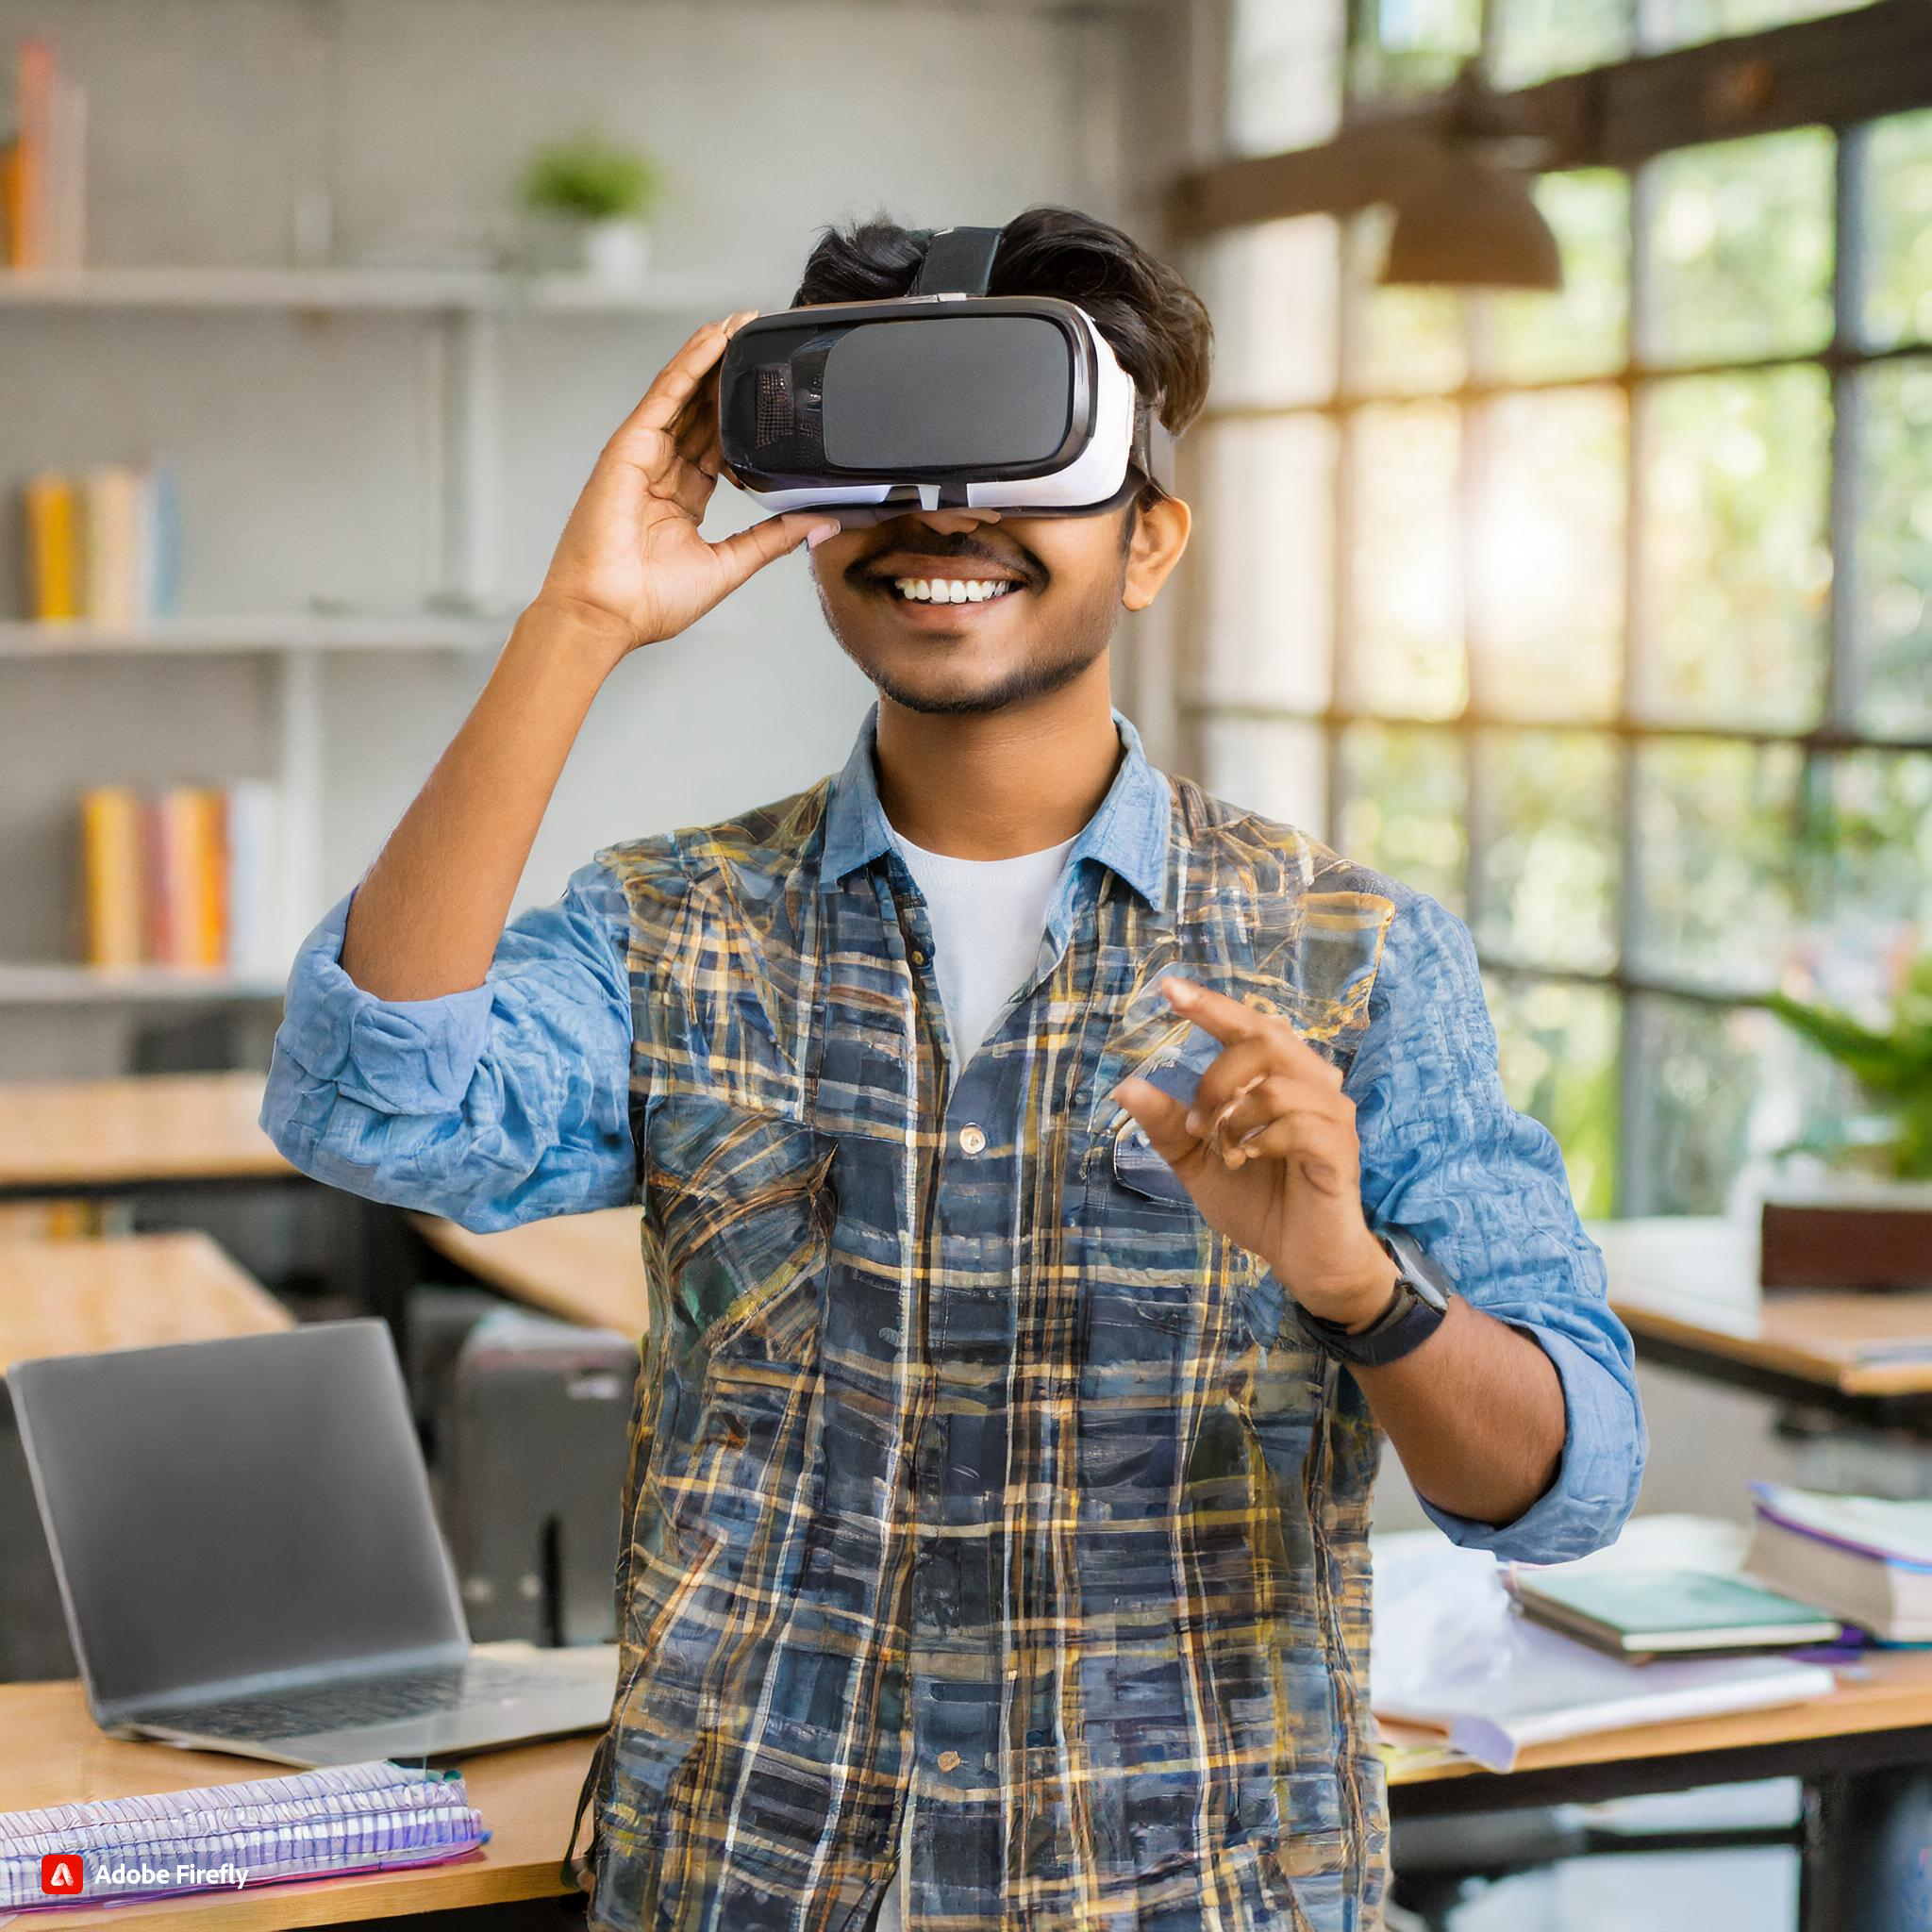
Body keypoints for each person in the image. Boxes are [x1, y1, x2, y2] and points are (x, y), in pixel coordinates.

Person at [260, 205, 1645, 1932]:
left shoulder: (1350, 955)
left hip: (1202, 1897)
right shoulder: (673, 927)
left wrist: (1358, 1288)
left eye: (1020, 446)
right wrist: (581, 620)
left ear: (1149, 541)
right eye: (894, 457)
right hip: (740, 1886)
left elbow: (1568, 1486)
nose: (944, 510)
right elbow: (367, 1104)